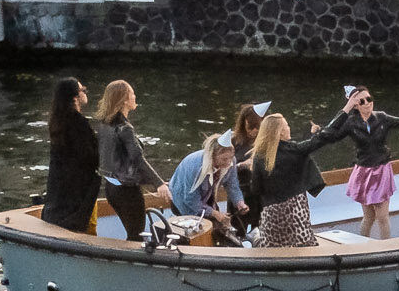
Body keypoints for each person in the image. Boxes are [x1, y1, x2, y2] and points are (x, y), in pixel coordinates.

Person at [324, 85, 399, 240]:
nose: (367, 103)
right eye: (362, 101)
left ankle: (386, 248)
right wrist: (345, 108)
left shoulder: (382, 117)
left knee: (383, 217)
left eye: (369, 99)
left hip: (381, 171)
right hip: (363, 172)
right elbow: (330, 135)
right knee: (369, 217)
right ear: (355, 105)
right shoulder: (350, 123)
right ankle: (363, 247)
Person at [243, 110, 346, 248]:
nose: (289, 128)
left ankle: (256, 238)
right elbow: (324, 136)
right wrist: (346, 109)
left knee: (274, 249)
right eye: (286, 125)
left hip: (271, 216)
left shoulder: (259, 157)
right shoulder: (294, 150)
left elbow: (256, 189)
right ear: (280, 132)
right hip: (295, 213)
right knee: (304, 247)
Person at [92, 80, 166, 241]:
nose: (135, 96)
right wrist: (159, 183)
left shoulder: (104, 124)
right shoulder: (125, 128)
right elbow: (138, 159)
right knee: (137, 234)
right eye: (132, 94)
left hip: (111, 188)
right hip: (127, 191)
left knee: (132, 232)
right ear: (125, 100)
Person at [42, 77, 100, 235]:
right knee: (87, 224)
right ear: (75, 97)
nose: (85, 92)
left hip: (62, 186)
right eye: (82, 90)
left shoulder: (57, 121)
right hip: (80, 188)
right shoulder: (78, 122)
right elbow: (90, 156)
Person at [168, 132, 248, 241]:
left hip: (207, 193)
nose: (229, 162)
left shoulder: (230, 162)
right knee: (195, 232)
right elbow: (190, 199)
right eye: (224, 159)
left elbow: (232, 184)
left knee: (218, 226)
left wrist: (239, 202)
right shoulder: (196, 167)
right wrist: (214, 213)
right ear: (213, 155)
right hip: (183, 199)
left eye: (231, 158)